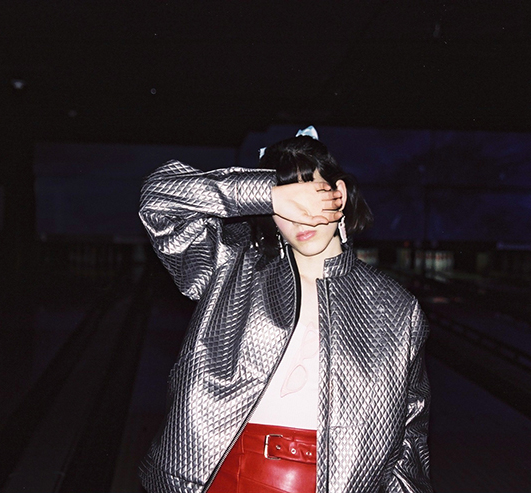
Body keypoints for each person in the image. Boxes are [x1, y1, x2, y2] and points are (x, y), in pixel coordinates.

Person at [138, 127, 432, 493]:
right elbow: (160, 199)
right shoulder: (230, 267)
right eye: (288, 205)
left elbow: (409, 441)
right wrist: (268, 193)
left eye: (311, 194)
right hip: (222, 477)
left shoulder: (397, 308)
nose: (300, 217)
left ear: (339, 194)